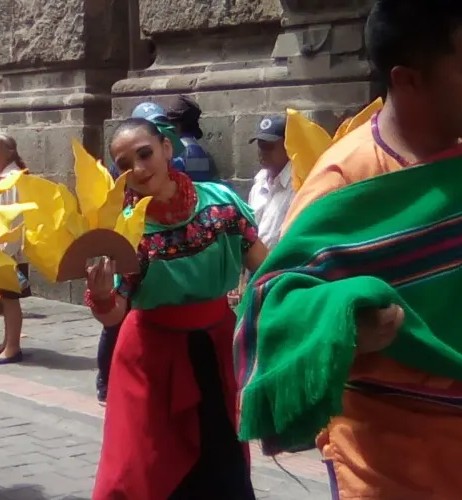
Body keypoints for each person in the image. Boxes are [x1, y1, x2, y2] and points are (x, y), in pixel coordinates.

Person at [262, 2, 462, 498]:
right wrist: (343, 328)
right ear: (408, 80)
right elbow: (277, 311)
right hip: (386, 470)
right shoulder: (343, 183)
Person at [89, 118, 267, 499]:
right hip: (151, 360)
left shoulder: (221, 204)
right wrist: (102, 295)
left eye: (145, 153)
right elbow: (115, 314)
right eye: (124, 164)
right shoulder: (123, 228)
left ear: (167, 149)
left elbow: (267, 271)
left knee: (222, 462)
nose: (137, 168)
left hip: (216, 348)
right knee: (146, 470)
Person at [0, 132, 29, 364]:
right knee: (3, 298)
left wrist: (7, 250)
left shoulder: (14, 177)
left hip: (9, 250)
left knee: (11, 300)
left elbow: (16, 216)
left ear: (9, 152)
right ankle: (7, 342)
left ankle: (13, 346)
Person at [247, 114, 294, 249]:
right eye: (260, 146)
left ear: (286, 145)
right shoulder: (258, 184)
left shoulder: (296, 185)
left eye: (269, 146)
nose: (263, 152)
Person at [163, 96, 219, 182]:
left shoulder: (188, 151)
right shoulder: (197, 148)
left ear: (178, 125)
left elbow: (197, 184)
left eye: (170, 122)